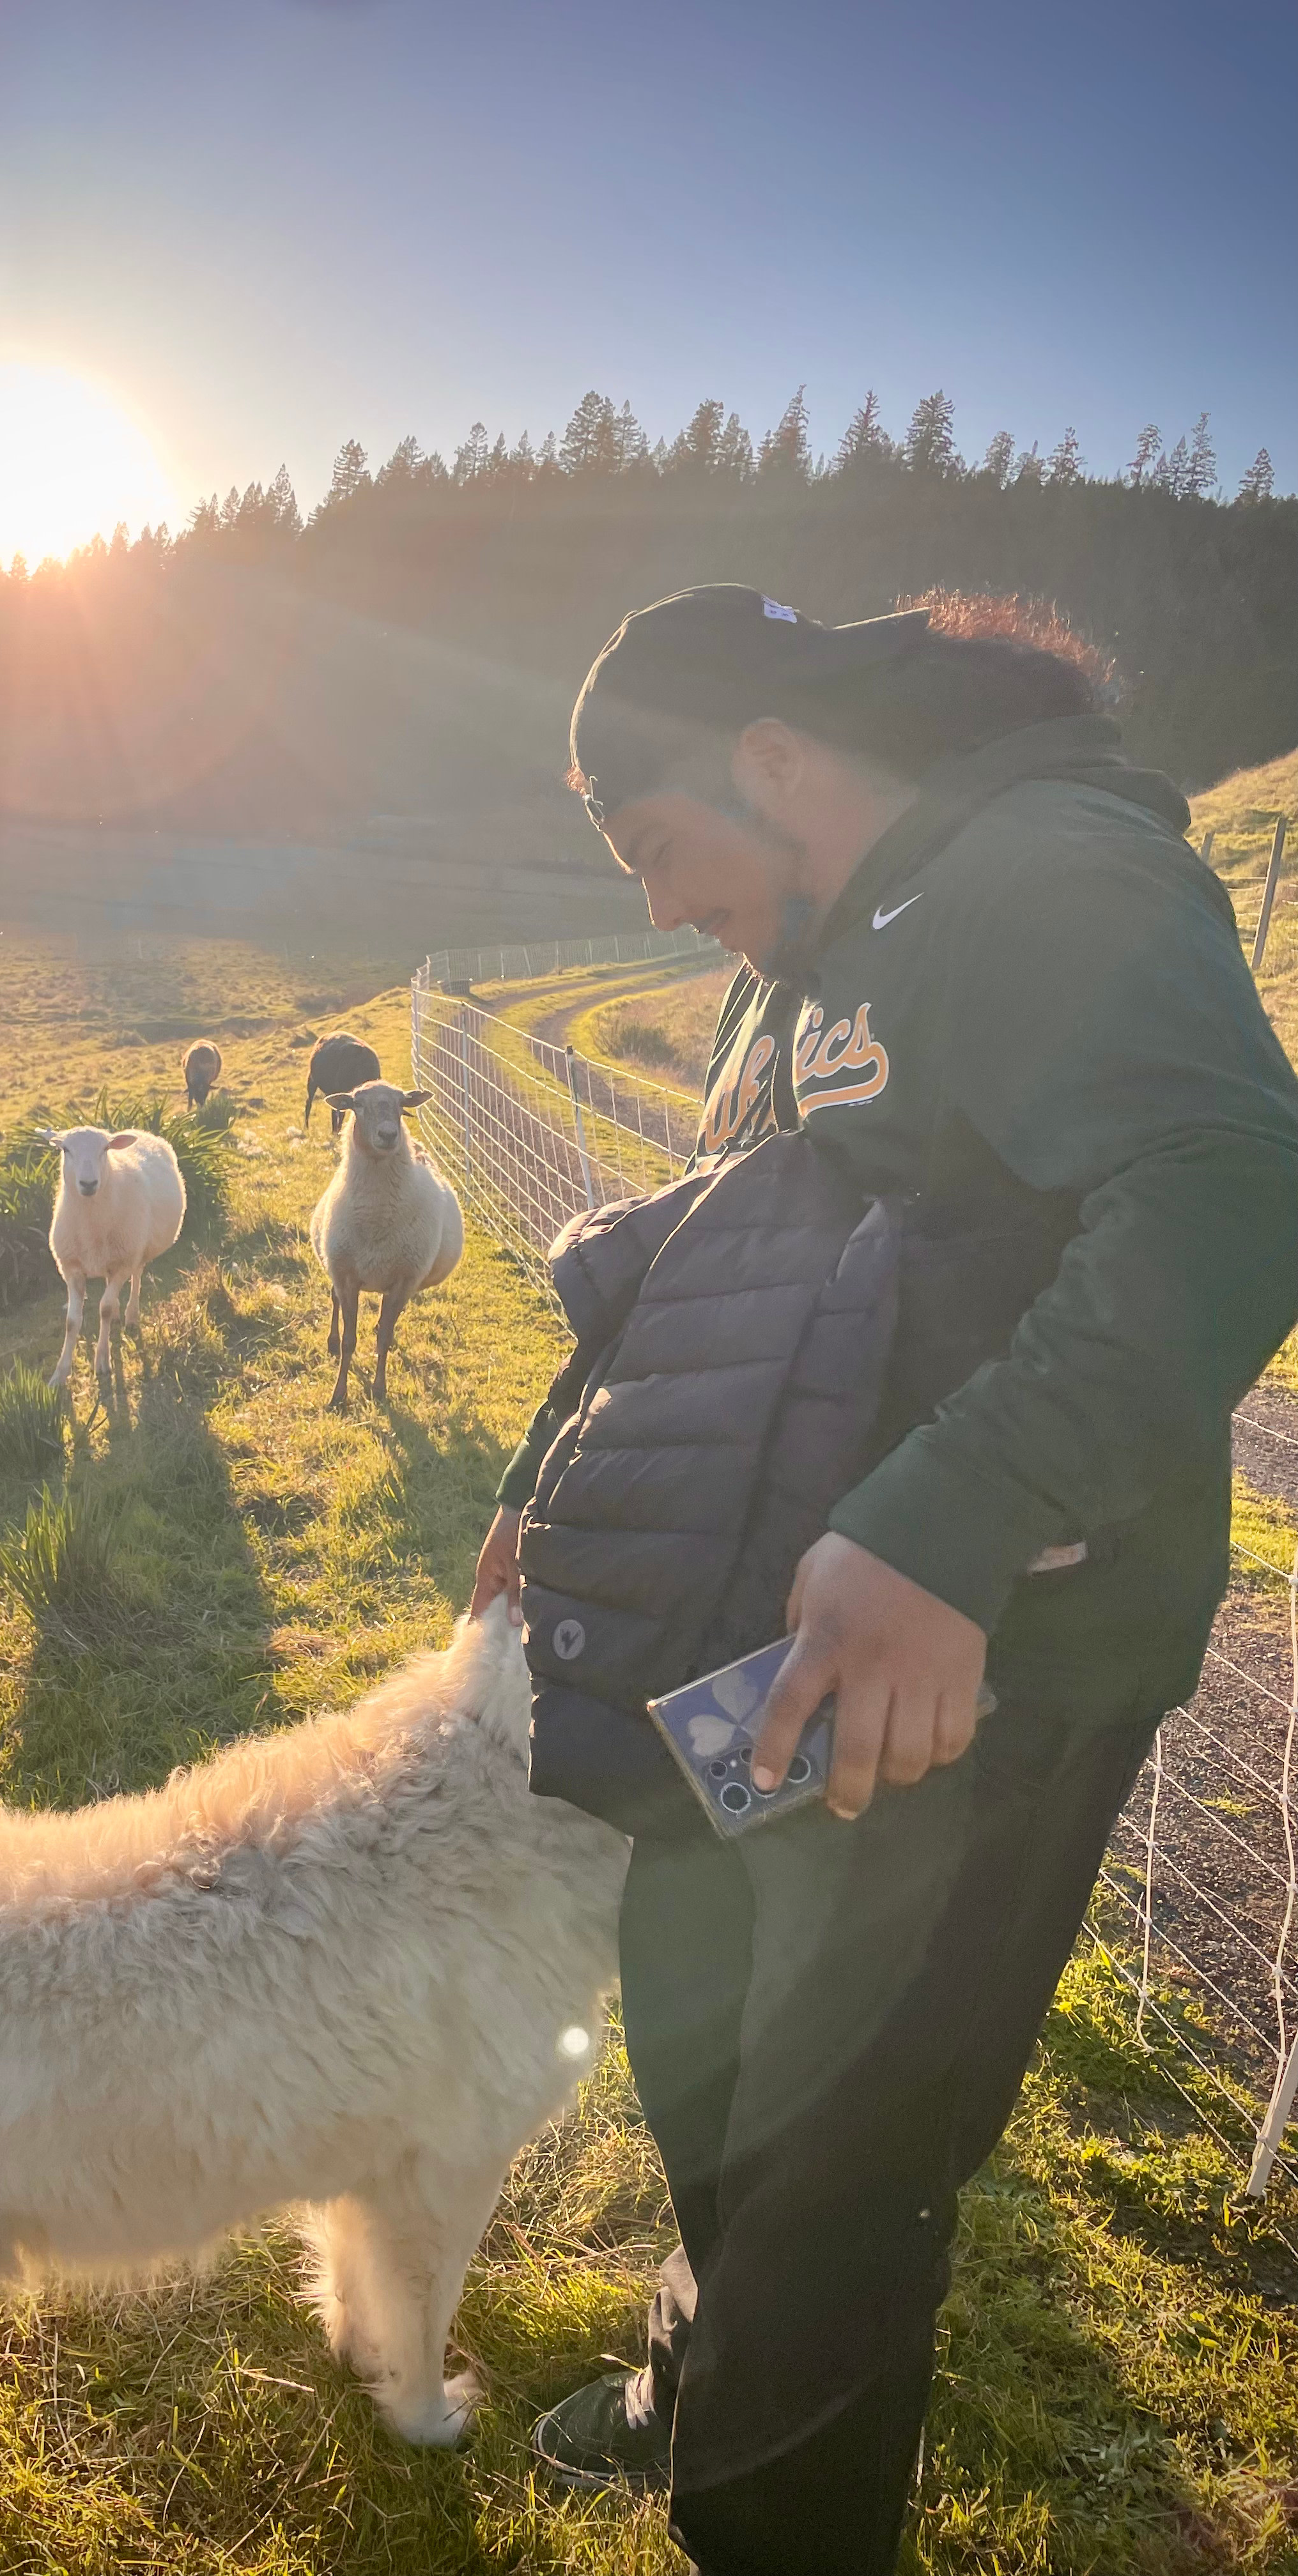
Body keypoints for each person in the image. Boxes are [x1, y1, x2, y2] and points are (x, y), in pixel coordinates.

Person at [467, 586, 1298, 2576]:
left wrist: (951, 1519)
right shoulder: (812, 964)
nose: (662, 911)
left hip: (971, 1684)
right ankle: (697, 2372)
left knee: (843, 2157)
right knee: (704, 2031)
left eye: (659, 849)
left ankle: (774, 2520)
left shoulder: (1045, 874)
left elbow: (1230, 1186)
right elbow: (718, 1247)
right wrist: (543, 1478)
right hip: (764, 1656)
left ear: (772, 759)